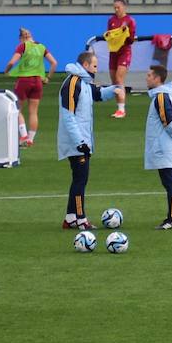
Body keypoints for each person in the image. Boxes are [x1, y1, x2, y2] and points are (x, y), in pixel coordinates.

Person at [57, 51, 118, 230]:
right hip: (77, 143)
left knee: (78, 179)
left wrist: (116, 89)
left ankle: (70, 218)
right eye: (95, 66)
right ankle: (81, 219)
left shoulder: (83, 83)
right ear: (85, 65)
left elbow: (98, 94)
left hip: (81, 141)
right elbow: (68, 116)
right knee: (80, 180)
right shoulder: (72, 83)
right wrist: (80, 142)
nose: (96, 69)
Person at [144, 65, 172, 229]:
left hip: (165, 148)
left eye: (149, 75)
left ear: (157, 79)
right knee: (169, 182)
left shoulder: (161, 97)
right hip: (164, 147)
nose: (146, 78)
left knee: (170, 183)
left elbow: (168, 120)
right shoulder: (161, 96)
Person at [5, 27, 58, 147]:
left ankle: (23, 136)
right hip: (37, 81)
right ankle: (30, 139)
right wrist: (48, 78)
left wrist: (7, 71)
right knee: (33, 112)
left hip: (24, 80)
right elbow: (54, 63)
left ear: (21, 38)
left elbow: (12, 62)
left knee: (17, 108)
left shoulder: (23, 46)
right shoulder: (41, 47)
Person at [103, 0, 137, 119]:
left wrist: (125, 33)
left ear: (124, 7)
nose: (116, 9)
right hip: (113, 52)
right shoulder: (111, 20)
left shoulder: (130, 21)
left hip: (124, 52)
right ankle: (118, 108)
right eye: (115, 8)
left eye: (118, 7)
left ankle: (122, 109)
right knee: (114, 81)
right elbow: (110, 35)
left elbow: (131, 40)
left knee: (119, 78)